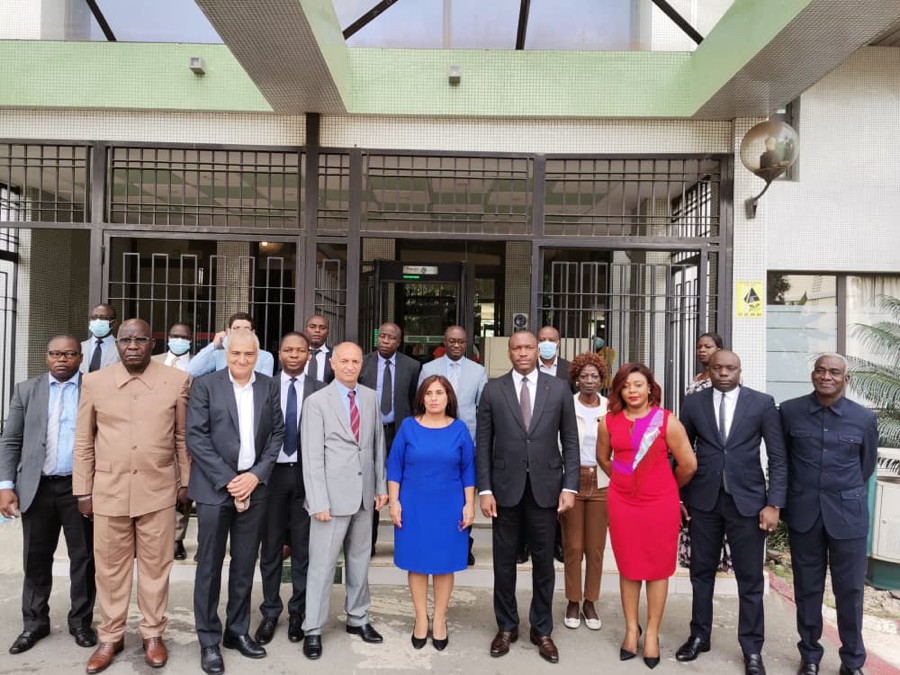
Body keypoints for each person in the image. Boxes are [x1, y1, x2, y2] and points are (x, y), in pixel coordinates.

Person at [73, 319, 191, 673]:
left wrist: (185, 483)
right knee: (110, 569)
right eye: (126, 340)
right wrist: (83, 489)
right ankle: (111, 636)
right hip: (109, 491)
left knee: (156, 567)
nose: (133, 346)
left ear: (152, 342)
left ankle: (153, 633)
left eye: (140, 339)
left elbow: (182, 437)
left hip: (158, 490)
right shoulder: (94, 382)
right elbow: (84, 440)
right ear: (117, 344)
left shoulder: (177, 381)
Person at [676, 350, 787, 675]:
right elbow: (681, 452)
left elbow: (778, 457)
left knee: (750, 579)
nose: (723, 373)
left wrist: (774, 504)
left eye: (730, 368)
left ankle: (752, 648)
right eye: (717, 368)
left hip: (748, 503)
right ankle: (699, 636)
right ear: (708, 370)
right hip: (704, 501)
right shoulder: (693, 404)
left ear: (740, 370)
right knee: (701, 573)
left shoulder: (762, 403)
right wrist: (679, 497)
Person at [476, 331, 579, 664]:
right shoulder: (493, 389)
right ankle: (506, 626)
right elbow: (483, 443)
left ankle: (541, 629)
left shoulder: (559, 389)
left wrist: (570, 486)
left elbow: (571, 441)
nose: (523, 352)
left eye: (528, 347)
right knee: (504, 563)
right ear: (509, 352)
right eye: (517, 348)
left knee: (544, 564)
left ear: (538, 351)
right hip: (504, 489)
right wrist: (485, 489)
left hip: (546, 489)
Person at [185, 330, 284, 675]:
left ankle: (236, 631)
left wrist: (255, 476)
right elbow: (196, 437)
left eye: (249, 354)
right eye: (235, 354)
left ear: (258, 356)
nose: (242, 360)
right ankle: (209, 640)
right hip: (215, 489)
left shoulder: (269, 386)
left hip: (254, 488)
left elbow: (277, 434)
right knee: (209, 567)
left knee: (244, 564)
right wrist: (230, 480)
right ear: (225, 353)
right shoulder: (205, 386)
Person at [780, 354, 878, 675]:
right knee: (807, 589)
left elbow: (865, 466)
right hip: (804, 513)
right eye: (820, 370)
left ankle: (852, 661)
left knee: (850, 591)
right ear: (812, 375)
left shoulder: (863, 418)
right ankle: (810, 655)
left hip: (848, 516)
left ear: (845, 379)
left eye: (834, 372)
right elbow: (783, 461)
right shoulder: (790, 412)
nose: (826, 376)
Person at [0, 336, 96, 655]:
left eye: (69, 354)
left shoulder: (94, 389)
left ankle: (80, 622)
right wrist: (5, 486)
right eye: (55, 353)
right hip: (36, 487)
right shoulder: (27, 390)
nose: (61, 359)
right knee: (35, 558)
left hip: (79, 488)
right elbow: (10, 440)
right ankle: (35, 622)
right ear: (46, 357)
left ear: (80, 358)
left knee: (84, 559)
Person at [597, 363, 696, 669]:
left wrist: (666, 487)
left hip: (659, 503)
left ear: (650, 388)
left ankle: (652, 632)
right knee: (628, 567)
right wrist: (624, 480)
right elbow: (603, 458)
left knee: (656, 569)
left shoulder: (667, 421)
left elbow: (688, 464)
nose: (632, 391)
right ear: (618, 390)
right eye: (626, 386)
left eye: (638, 385)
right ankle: (631, 629)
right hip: (622, 503)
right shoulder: (608, 422)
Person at [300, 342, 388, 660]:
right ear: (333, 364)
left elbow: (377, 445)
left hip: (364, 495)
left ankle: (358, 618)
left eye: (355, 361)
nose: (350, 366)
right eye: (344, 361)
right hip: (330, 499)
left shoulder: (370, 397)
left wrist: (380, 486)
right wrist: (318, 501)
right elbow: (312, 456)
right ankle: (313, 628)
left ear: (361, 365)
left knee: (360, 562)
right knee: (322, 566)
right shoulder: (316, 402)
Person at [387, 375, 476, 650]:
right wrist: (394, 502)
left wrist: (469, 505)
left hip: (449, 506)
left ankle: (439, 619)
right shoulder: (408, 427)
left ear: (449, 397)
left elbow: (468, 470)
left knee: (444, 564)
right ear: (421, 398)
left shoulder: (459, 429)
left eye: (439, 393)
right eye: (428, 393)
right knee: (417, 563)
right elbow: (394, 466)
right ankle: (420, 618)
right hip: (413, 505)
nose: (434, 398)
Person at [254, 332, 325, 647]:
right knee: (270, 548)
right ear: (279, 353)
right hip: (272, 476)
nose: (294, 355)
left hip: (307, 476)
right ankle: (271, 611)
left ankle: (299, 611)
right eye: (288, 350)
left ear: (309, 354)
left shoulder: (320, 389)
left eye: (300, 350)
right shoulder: (264, 387)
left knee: (303, 549)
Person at [418, 325, 487, 565]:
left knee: (464, 494)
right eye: (451, 341)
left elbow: (482, 410)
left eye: (460, 342)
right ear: (444, 342)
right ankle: (437, 540)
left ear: (466, 343)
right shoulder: (429, 369)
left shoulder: (478, 371)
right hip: (434, 440)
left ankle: (464, 543)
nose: (456, 345)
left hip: (465, 441)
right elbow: (421, 404)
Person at [359, 322, 421, 555]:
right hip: (368, 431)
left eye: (391, 337)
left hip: (400, 432)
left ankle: (406, 542)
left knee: (403, 484)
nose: (385, 340)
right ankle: (368, 544)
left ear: (399, 342)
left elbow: (415, 400)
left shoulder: (412, 366)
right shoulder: (363, 362)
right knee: (370, 485)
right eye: (382, 336)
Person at [559, 352, 609, 632]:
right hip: (573, 479)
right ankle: (573, 600)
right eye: (584, 376)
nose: (589, 380)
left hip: (602, 481)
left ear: (602, 380)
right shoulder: (566, 405)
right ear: (576, 379)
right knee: (574, 546)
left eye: (595, 376)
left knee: (596, 547)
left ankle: (590, 601)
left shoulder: (611, 408)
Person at [680, 331, 733, 572]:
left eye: (708, 346)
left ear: (719, 350)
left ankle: (721, 559)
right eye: (699, 346)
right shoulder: (697, 378)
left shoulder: (724, 379)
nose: (702, 350)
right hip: (696, 452)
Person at [153, 321, 194, 561]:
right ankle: (155, 537)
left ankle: (177, 539)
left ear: (190, 341)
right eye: (175, 336)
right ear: (168, 338)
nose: (179, 340)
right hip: (156, 432)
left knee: (183, 489)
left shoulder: (198, 365)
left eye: (184, 337)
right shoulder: (154, 361)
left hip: (185, 433)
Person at [187, 312, 274, 378]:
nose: (241, 332)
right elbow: (192, 371)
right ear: (228, 331)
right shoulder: (219, 354)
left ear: (253, 332)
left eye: (246, 329)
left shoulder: (265, 357)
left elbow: (264, 386)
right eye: (236, 328)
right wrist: (214, 345)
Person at [80, 303, 120, 373]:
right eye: (94, 317)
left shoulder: (121, 348)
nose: (97, 321)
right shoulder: (80, 347)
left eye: (102, 318)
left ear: (113, 323)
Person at [303, 314, 334, 383]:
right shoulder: (296, 354)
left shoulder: (335, 355)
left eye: (322, 328)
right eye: (312, 327)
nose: (317, 330)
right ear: (306, 331)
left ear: (328, 333)